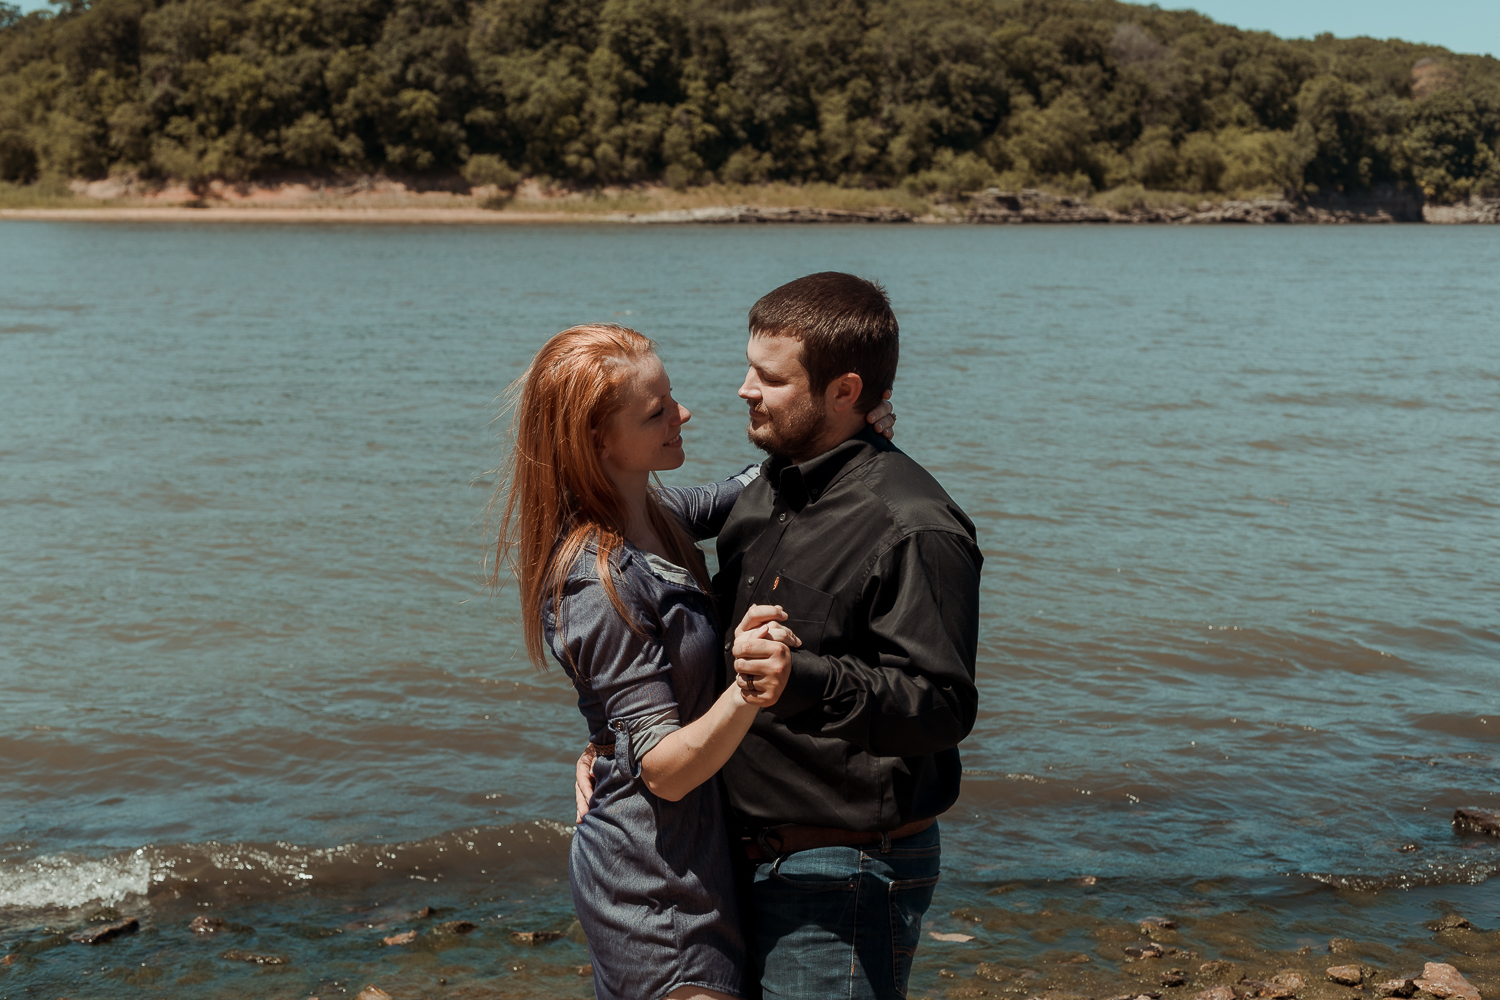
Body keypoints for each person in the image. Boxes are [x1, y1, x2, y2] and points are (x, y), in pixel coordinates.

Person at [491, 324, 895, 1000]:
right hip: (655, 886)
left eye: (670, 395)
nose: (684, 414)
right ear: (596, 441)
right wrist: (750, 687)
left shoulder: (659, 513)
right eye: (657, 412)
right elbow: (665, 773)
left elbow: (754, 486)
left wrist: (849, 430)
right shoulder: (598, 582)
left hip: (698, 860)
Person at [716, 272, 982, 999]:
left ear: (844, 391)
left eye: (769, 377)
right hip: (737, 860)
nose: (745, 388)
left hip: (844, 871)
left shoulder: (915, 526)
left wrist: (802, 680)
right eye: (749, 367)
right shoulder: (767, 489)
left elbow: (941, 704)